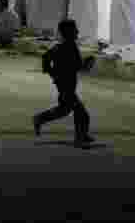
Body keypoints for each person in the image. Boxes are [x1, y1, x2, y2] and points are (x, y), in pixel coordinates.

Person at [33, 19, 96, 147]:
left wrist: (85, 64)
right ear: (68, 32)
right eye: (75, 30)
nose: (77, 32)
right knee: (81, 112)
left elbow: (75, 66)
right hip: (65, 85)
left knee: (64, 110)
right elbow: (47, 58)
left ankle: (40, 118)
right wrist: (52, 73)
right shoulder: (64, 47)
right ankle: (80, 138)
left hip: (68, 83)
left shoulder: (68, 46)